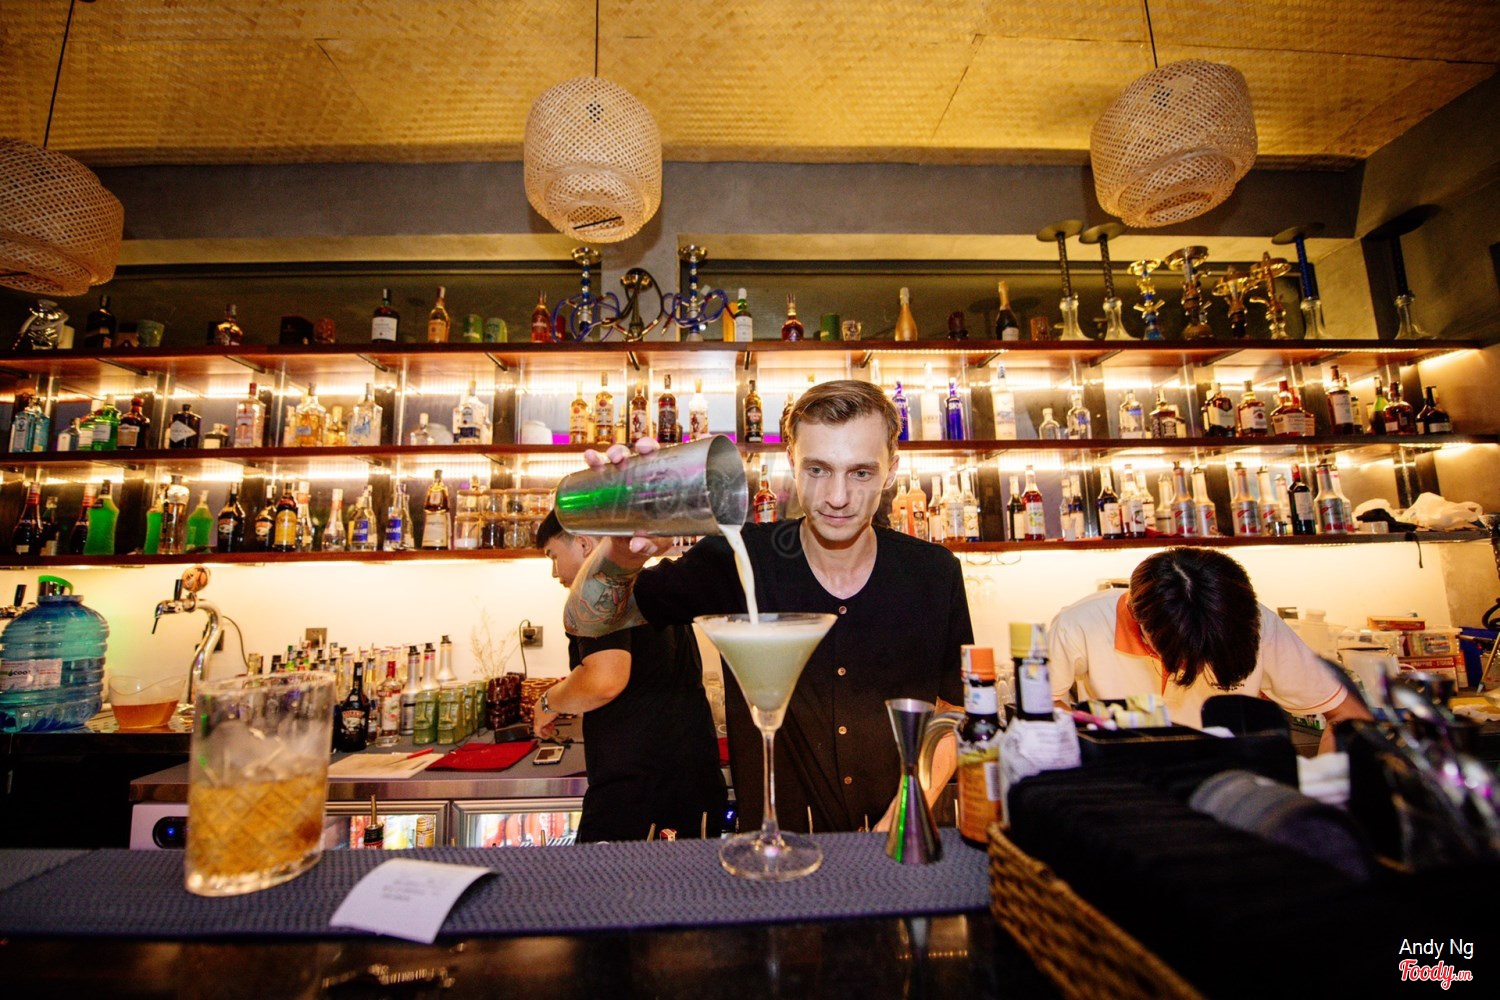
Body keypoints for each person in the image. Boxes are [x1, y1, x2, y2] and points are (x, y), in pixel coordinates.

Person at [563, 379, 973, 834]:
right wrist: (621, 553)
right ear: (792, 462)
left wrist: (904, 814)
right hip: (772, 853)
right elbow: (588, 619)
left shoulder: (934, 573)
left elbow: (953, 712)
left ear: (891, 470)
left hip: (904, 843)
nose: (837, 496)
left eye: (860, 472)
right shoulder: (739, 559)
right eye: (817, 469)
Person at [1047, 547, 1371, 753]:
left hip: (1231, 776)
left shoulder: (1256, 624)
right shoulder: (1080, 624)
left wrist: (1325, 791)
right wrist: (1091, 733)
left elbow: (1349, 716)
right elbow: (1046, 705)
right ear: (1136, 616)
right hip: (1132, 776)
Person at [534, 510, 727, 842]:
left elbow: (604, 680)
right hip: (694, 783)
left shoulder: (598, 594)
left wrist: (548, 702)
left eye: (553, 556)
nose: (554, 572)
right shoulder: (651, 587)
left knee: (606, 877)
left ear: (583, 544)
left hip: (636, 798)